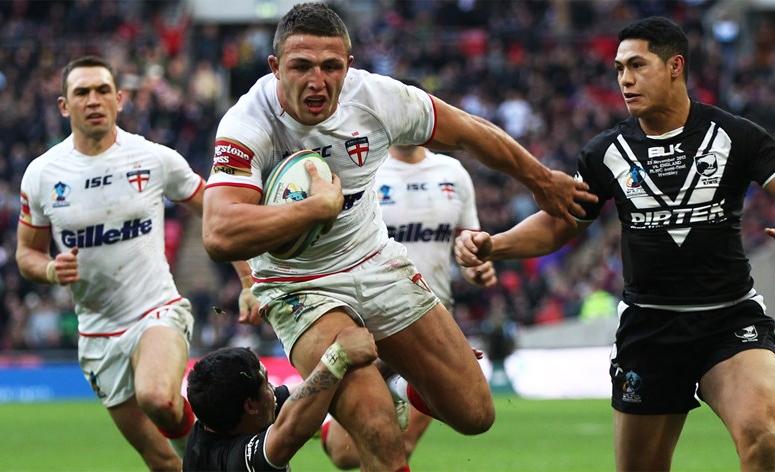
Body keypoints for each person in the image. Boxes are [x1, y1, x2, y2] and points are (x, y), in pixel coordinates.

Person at [201, 4, 596, 470]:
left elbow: (469, 131)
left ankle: (401, 375)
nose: (317, 81)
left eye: (331, 67)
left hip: (375, 261)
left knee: (475, 413)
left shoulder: (376, 97)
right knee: (378, 432)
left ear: (348, 65)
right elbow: (220, 233)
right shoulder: (248, 123)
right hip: (298, 286)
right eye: (301, 66)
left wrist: (539, 180)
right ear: (275, 68)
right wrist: (314, 209)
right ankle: (365, 384)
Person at [455, 16, 775, 471]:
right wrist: (494, 245)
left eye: (637, 66)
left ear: (675, 66)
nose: (625, 79)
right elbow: (560, 225)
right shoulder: (605, 152)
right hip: (649, 329)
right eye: (619, 69)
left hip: (730, 320)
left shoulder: (736, 136)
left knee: (766, 438)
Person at [15, 55, 252, 471]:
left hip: (156, 310)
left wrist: (248, 281)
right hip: (97, 333)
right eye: (82, 92)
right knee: (160, 460)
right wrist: (50, 269)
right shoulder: (41, 175)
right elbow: (26, 255)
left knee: (158, 397)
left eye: (103, 90)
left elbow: (216, 215)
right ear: (63, 106)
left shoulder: (152, 157)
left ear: (120, 99)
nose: (94, 100)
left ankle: (215, 461)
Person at [321, 128, 498, 468]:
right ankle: (333, 426)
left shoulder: (453, 173)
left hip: (433, 318)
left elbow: (467, 243)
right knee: (347, 456)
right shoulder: (367, 172)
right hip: (374, 319)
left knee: (401, 444)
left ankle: (401, 391)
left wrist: (475, 269)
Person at [182, 326, 377, 471]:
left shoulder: (226, 415)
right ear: (250, 406)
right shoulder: (230, 461)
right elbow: (289, 432)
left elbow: (313, 391)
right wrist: (338, 356)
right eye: (267, 385)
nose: (273, 390)